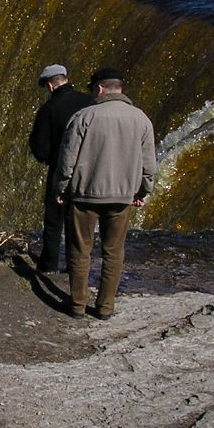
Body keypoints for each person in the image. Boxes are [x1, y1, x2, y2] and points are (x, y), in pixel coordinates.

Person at [54, 68, 156, 320]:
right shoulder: (141, 119)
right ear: (119, 87)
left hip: (84, 195)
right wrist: (143, 190)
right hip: (122, 197)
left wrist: (61, 189)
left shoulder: (83, 117)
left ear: (99, 88)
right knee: (114, 252)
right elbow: (149, 165)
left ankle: (77, 305)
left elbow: (67, 160)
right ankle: (105, 307)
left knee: (80, 250)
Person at [27, 63, 94, 273]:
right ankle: (78, 266)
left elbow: (40, 150)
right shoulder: (90, 102)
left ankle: (49, 266)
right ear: (65, 78)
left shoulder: (49, 109)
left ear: (50, 85)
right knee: (80, 220)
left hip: (59, 170)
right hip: (89, 170)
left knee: (54, 221)